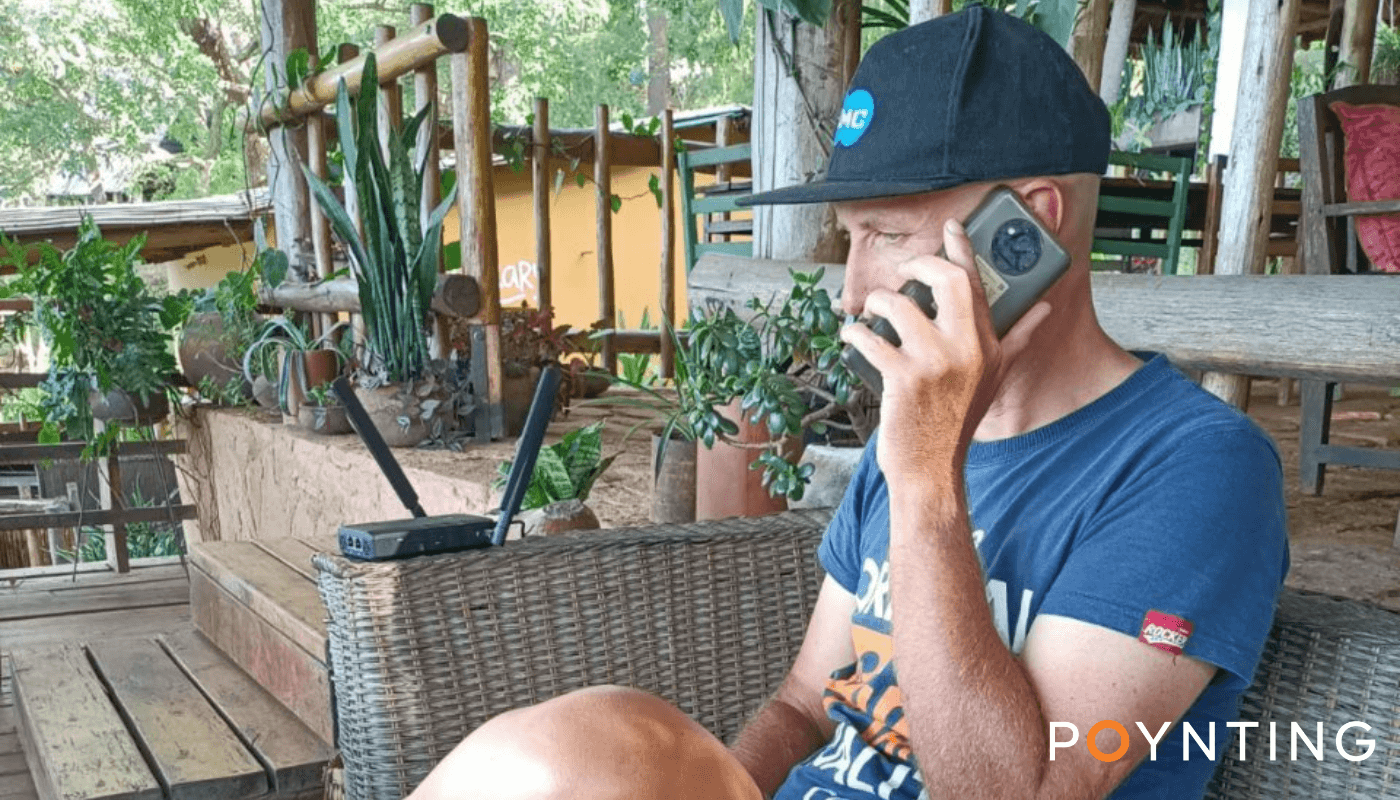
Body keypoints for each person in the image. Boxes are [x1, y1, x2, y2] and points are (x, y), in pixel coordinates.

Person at [408, 7, 1289, 800]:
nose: (853, 289)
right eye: (849, 238)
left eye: (888, 234)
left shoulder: (1193, 468)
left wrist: (927, 478)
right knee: (589, 752)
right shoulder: (913, 437)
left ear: (1026, 232)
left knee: (589, 742)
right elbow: (804, 705)